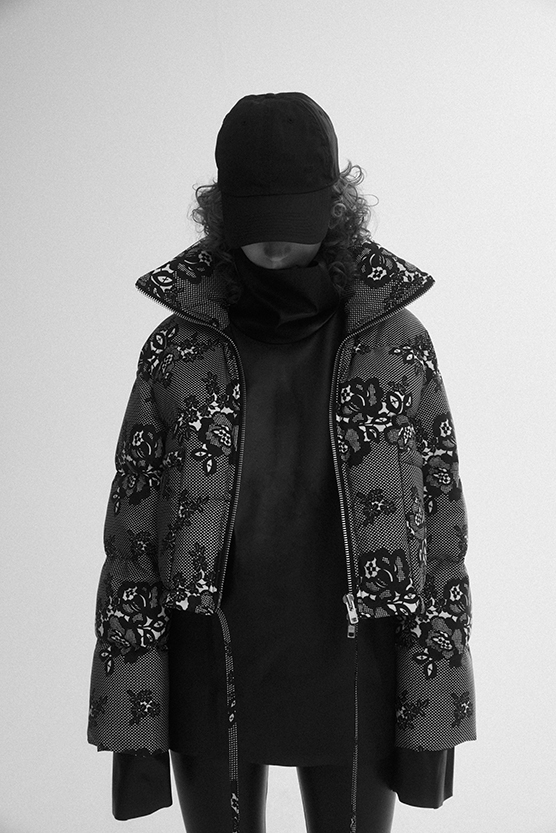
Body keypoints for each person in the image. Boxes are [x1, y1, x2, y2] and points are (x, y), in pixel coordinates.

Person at [88, 92, 476, 833]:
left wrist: (435, 708)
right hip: (211, 656)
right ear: (221, 214)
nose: (272, 242)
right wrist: (129, 720)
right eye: (255, 218)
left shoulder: (396, 344)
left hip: (356, 659)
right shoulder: (178, 351)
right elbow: (132, 534)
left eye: (292, 217)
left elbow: (443, 525)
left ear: (335, 208)